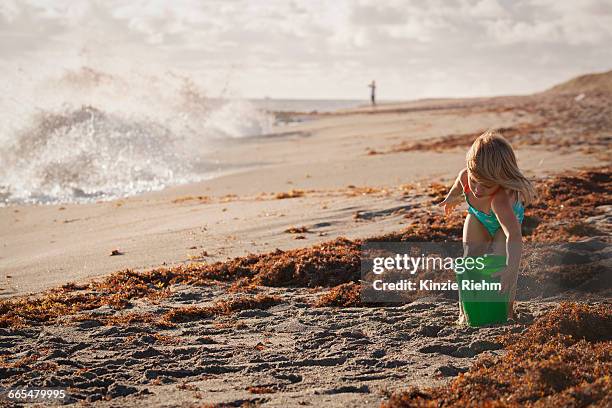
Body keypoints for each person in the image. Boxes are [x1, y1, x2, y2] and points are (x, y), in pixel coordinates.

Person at [438, 130, 537, 324]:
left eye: (487, 186)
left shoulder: (500, 200)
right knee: (469, 259)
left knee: (501, 264)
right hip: (478, 218)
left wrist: (512, 268)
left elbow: (514, 236)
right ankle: (464, 309)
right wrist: (451, 196)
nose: (477, 190)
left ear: (501, 180)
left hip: (505, 227)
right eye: (475, 182)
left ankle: (507, 309)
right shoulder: (468, 175)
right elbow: (460, 183)